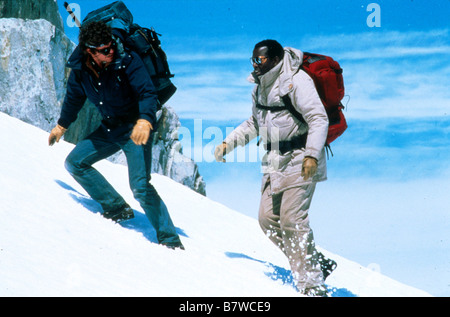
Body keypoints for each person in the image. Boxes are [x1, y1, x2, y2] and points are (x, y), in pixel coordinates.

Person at [215, 39, 336, 296]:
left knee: (293, 220)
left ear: (276, 59)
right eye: (253, 60)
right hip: (274, 159)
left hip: (301, 155)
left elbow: (317, 117)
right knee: (268, 220)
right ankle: (316, 263)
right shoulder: (259, 86)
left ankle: (312, 285)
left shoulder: (297, 81)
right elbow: (255, 122)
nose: (255, 65)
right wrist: (228, 142)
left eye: (260, 60)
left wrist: (312, 156)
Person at [48, 21, 184, 250]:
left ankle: (170, 240)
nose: (111, 51)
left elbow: (147, 92)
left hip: (135, 129)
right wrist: (62, 126)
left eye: (111, 46)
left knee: (140, 187)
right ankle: (116, 208)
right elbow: (73, 98)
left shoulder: (127, 59)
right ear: (89, 51)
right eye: (104, 49)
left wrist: (144, 120)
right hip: (110, 128)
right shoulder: (81, 70)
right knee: (75, 163)